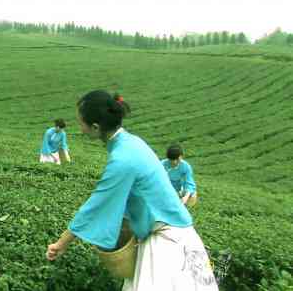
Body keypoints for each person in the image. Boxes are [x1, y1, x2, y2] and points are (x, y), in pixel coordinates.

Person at [46, 90, 217, 291]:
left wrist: (61, 244)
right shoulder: (131, 142)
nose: (80, 128)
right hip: (173, 232)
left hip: (167, 243)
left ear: (95, 127)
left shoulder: (123, 159)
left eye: (81, 123)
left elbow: (96, 206)